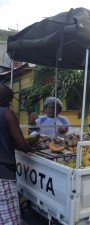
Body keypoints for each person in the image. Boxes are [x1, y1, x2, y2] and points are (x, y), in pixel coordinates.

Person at [0, 84, 33, 225]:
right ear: (1, 99)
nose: (9, 104)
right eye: (8, 100)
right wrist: (30, 148)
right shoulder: (7, 113)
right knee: (11, 220)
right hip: (3, 174)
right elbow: (21, 144)